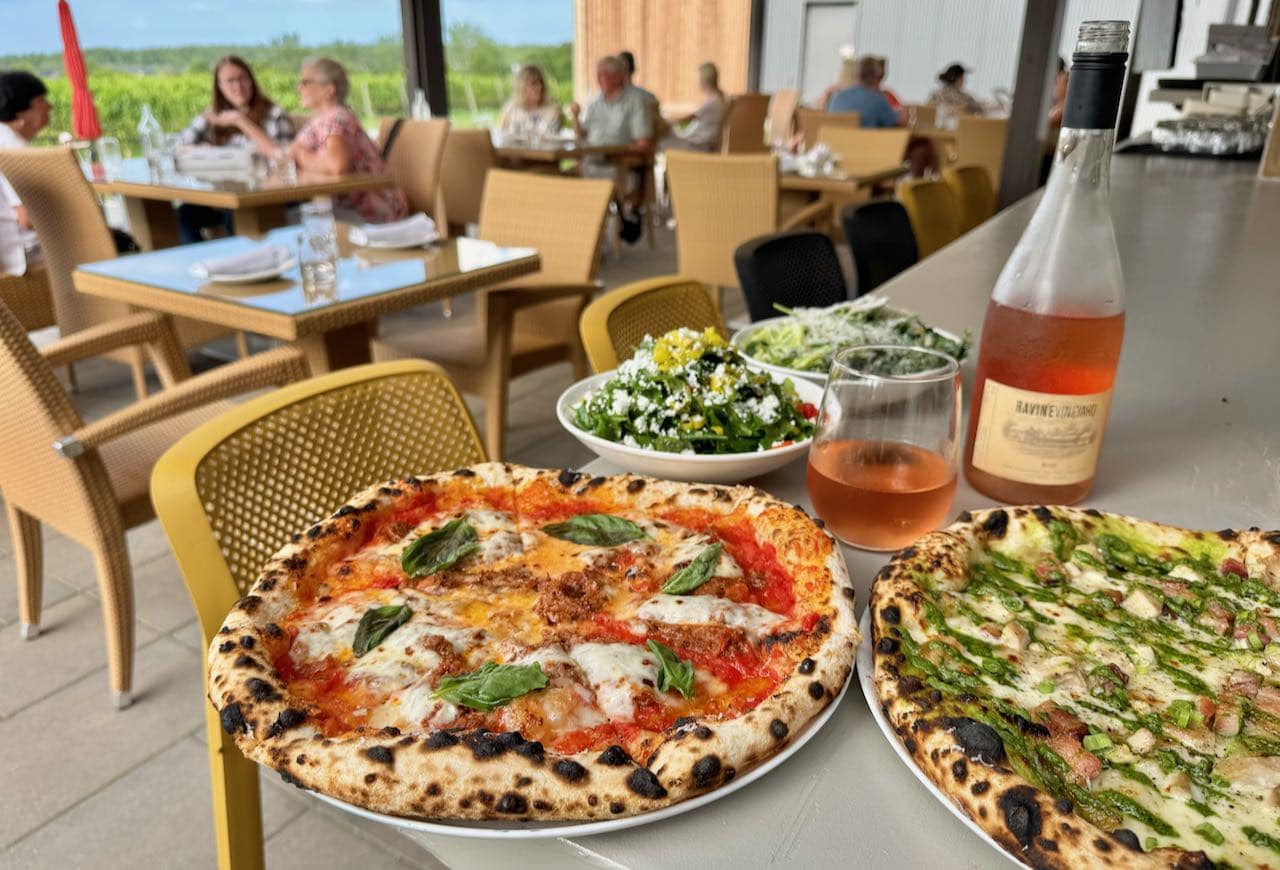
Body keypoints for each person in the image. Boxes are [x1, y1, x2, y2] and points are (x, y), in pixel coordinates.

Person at [176, 56, 296, 243]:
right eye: (230, 81)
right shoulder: (214, 116)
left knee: (232, 213)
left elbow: (283, 159)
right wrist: (203, 149)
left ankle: (240, 257)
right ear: (219, 87)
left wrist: (240, 121)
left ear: (252, 81)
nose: (238, 86)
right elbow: (178, 146)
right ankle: (204, 259)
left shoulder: (275, 115)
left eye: (243, 78)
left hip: (264, 196)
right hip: (222, 196)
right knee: (185, 213)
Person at [289, 57, 408, 224]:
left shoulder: (338, 118)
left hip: (375, 212)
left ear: (328, 90)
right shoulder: (319, 121)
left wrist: (302, 156)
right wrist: (303, 156)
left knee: (285, 223)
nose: (299, 88)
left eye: (305, 82)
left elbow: (337, 166)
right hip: (348, 209)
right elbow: (288, 154)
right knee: (289, 220)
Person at [569, 55, 654, 242]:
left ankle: (594, 243)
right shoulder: (596, 102)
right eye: (599, 75)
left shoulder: (635, 101)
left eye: (605, 75)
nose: (600, 79)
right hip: (591, 161)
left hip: (618, 167)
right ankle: (582, 241)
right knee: (561, 182)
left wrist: (614, 152)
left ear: (619, 77)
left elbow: (644, 145)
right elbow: (582, 134)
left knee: (581, 189)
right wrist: (575, 116)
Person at [0, 71, 48, 277]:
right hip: (21, 255)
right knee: (117, 241)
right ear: (21, 111)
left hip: (7, 252)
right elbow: (27, 218)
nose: (50, 106)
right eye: (42, 100)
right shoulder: (14, 149)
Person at [661, 62, 726, 152]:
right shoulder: (718, 99)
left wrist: (668, 119)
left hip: (698, 145)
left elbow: (686, 118)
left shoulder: (713, 101)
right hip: (701, 142)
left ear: (703, 80)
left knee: (662, 143)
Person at [827, 56, 902, 128]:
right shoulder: (877, 100)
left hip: (834, 137)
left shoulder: (836, 97)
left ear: (855, 74)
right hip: (865, 137)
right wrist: (903, 114)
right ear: (877, 76)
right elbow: (897, 123)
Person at [497, 65, 562, 136]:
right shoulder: (511, 109)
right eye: (533, 83)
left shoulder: (552, 110)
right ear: (522, 87)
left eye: (541, 83)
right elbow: (501, 135)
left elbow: (555, 137)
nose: (539, 87)